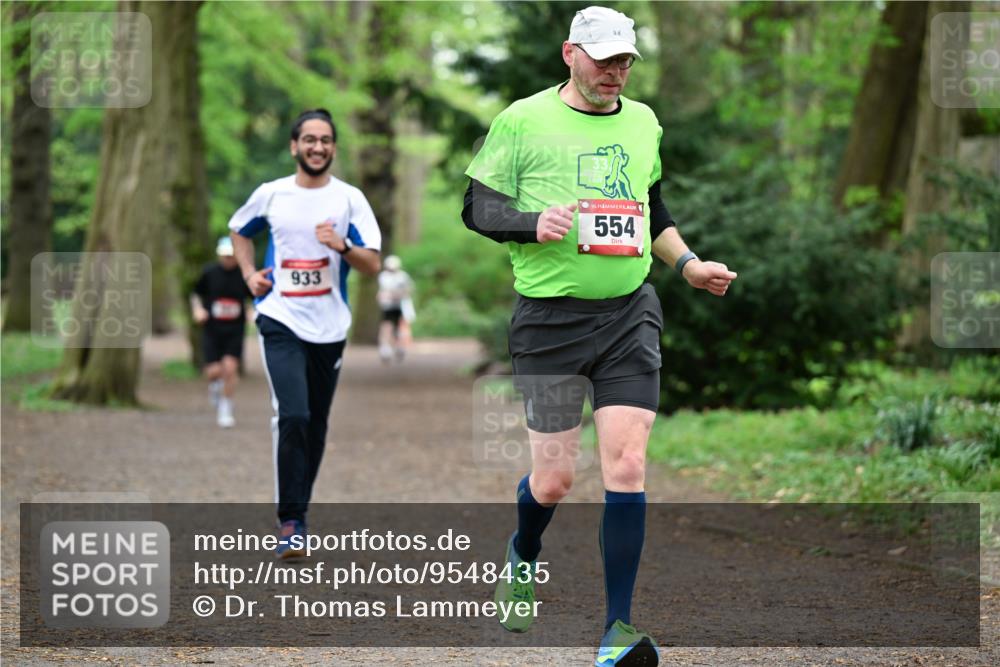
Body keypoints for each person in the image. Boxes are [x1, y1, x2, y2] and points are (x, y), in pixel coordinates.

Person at [462, 7, 737, 666]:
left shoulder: (643, 123)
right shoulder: (522, 120)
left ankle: (617, 629)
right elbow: (477, 207)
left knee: (628, 463)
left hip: (627, 315)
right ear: (569, 54)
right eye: (602, 59)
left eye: (624, 61)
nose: (614, 72)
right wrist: (532, 223)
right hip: (549, 323)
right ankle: (524, 549)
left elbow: (652, 209)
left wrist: (689, 264)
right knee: (554, 478)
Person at [228, 108, 382, 558]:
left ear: (333, 148)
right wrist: (248, 274)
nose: (318, 147)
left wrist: (343, 246)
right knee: (292, 414)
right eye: (309, 140)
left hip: (330, 325)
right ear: (294, 146)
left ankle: (299, 513)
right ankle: (291, 521)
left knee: (315, 423)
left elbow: (372, 262)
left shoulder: (349, 199)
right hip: (280, 317)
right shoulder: (272, 195)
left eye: (326, 140)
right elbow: (239, 230)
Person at [191, 237, 252, 428]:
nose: (228, 259)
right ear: (219, 255)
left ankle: (226, 409)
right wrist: (197, 310)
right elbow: (195, 294)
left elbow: (253, 298)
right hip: (212, 329)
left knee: (230, 369)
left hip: (235, 329)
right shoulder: (209, 272)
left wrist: (252, 312)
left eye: (231, 256)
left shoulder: (244, 275)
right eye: (224, 256)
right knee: (214, 371)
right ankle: (215, 387)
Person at [376, 254, 415, 364]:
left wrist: (397, 295)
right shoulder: (383, 276)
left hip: (400, 306)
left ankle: (400, 347)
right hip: (387, 306)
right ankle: (385, 348)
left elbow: (408, 290)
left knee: (400, 327)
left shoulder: (403, 276)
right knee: (386, 326)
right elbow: (382, 291)